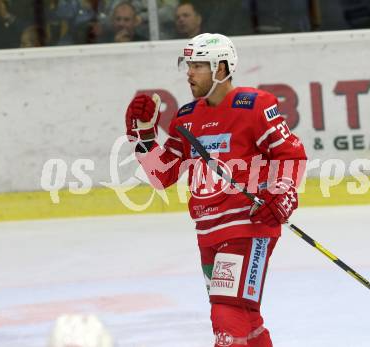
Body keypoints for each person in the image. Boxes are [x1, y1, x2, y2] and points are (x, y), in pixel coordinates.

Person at [125, 33, 307, 346]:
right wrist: (142, 138)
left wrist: (281, 192)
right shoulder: (187, 116)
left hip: (249, 226)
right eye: (188, 64)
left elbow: (290, 154)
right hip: (208, 231)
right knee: (246, 319)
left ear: (221, 69)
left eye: (198, 65)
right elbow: (163, 175)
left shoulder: (255, 105)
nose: (189, 72)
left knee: (227, 313)